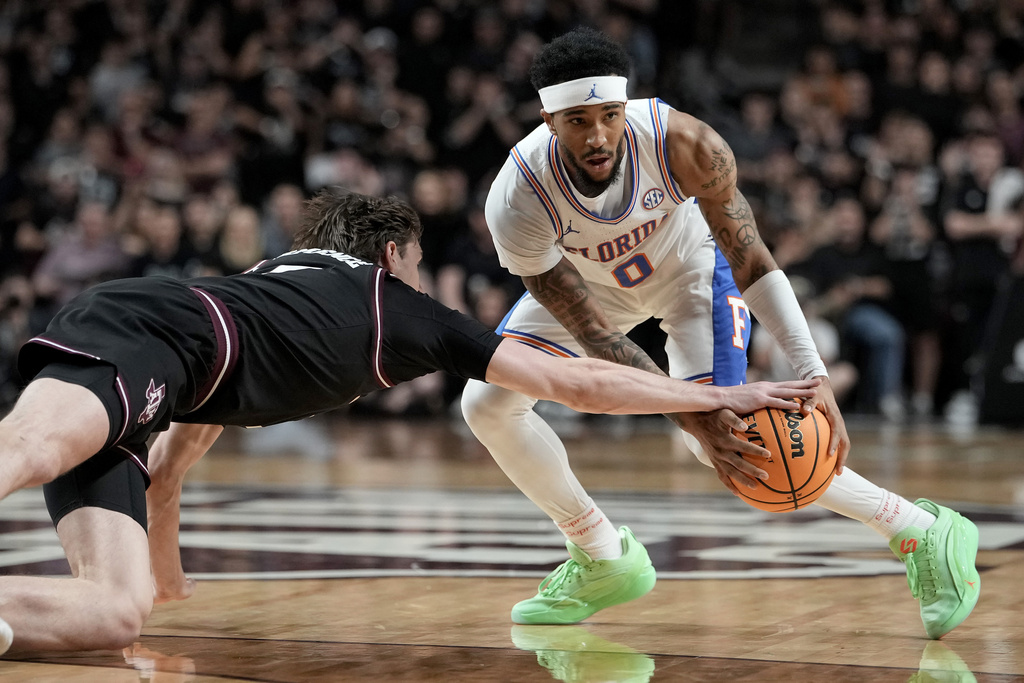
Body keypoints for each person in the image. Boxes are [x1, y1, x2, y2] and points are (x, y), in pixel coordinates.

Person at [0, 189, 818, 654]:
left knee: (117, 612)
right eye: (419, 264)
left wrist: (165, 531)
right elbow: (577, 382)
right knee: (33, 448)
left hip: (158, 369)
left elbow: (201, 412)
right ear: (393, 255)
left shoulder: (278, 278)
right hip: (140, 336)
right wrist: (713, 395)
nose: (422, 281)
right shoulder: (398, 307)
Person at [460, 28, 979, 638]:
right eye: (578, 121)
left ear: (625, 108)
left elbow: (751, 256)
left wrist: (813, 372)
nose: (598, 136)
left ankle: (919, 529)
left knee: (724, 439)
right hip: (592, 295)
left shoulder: (684, 143)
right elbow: (595, 335)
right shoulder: (517, 196)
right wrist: (689, 410)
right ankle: (602, 555)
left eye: (609, 116)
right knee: (486, 402)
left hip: (692, 274)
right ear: (549, 121)